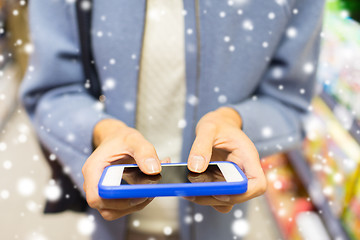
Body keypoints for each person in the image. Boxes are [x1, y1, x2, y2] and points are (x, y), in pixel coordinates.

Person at [20, 0, 325, 239]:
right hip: (112, 229)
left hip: (220, 226)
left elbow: (288, 100)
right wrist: (101, 131)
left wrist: (236, 122)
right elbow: (53, 91)